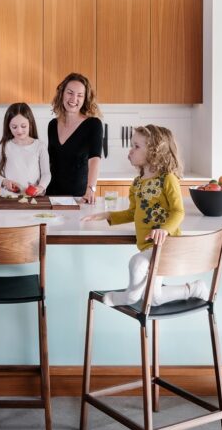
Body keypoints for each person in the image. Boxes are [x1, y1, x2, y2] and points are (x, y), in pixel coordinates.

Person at [81, 125, 207, 307]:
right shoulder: (137, 183)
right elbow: (134, 212)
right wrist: (107, 215)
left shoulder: (167, 179)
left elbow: (178, 211)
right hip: (148, 246)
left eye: (136, 146)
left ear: (155, 151)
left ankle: (129, 298)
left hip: (165, 244)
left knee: (137, 263)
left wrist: (164, 229)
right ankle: (194, 289)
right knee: (154, 298)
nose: (130, 151)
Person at [44, 73, 103, 203]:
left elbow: (95, 159)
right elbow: (50, 162)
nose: (74, 99)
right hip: (52, 195)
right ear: (62, 94)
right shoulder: (52, 125)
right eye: (70, 93)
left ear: (85, 99)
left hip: (79, 197)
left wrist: (91, 189)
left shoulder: (93, 124)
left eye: (80, 95)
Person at [0, 102, 51, 197]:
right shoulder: (4, 146)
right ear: (8, 126)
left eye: (23, 126)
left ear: (30, 124)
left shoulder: (40, 146)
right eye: (14, 127)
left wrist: (41, 187)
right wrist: (5, 181)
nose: (19, 131)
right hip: (9, 197)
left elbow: (46, 174)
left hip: (33, 198)